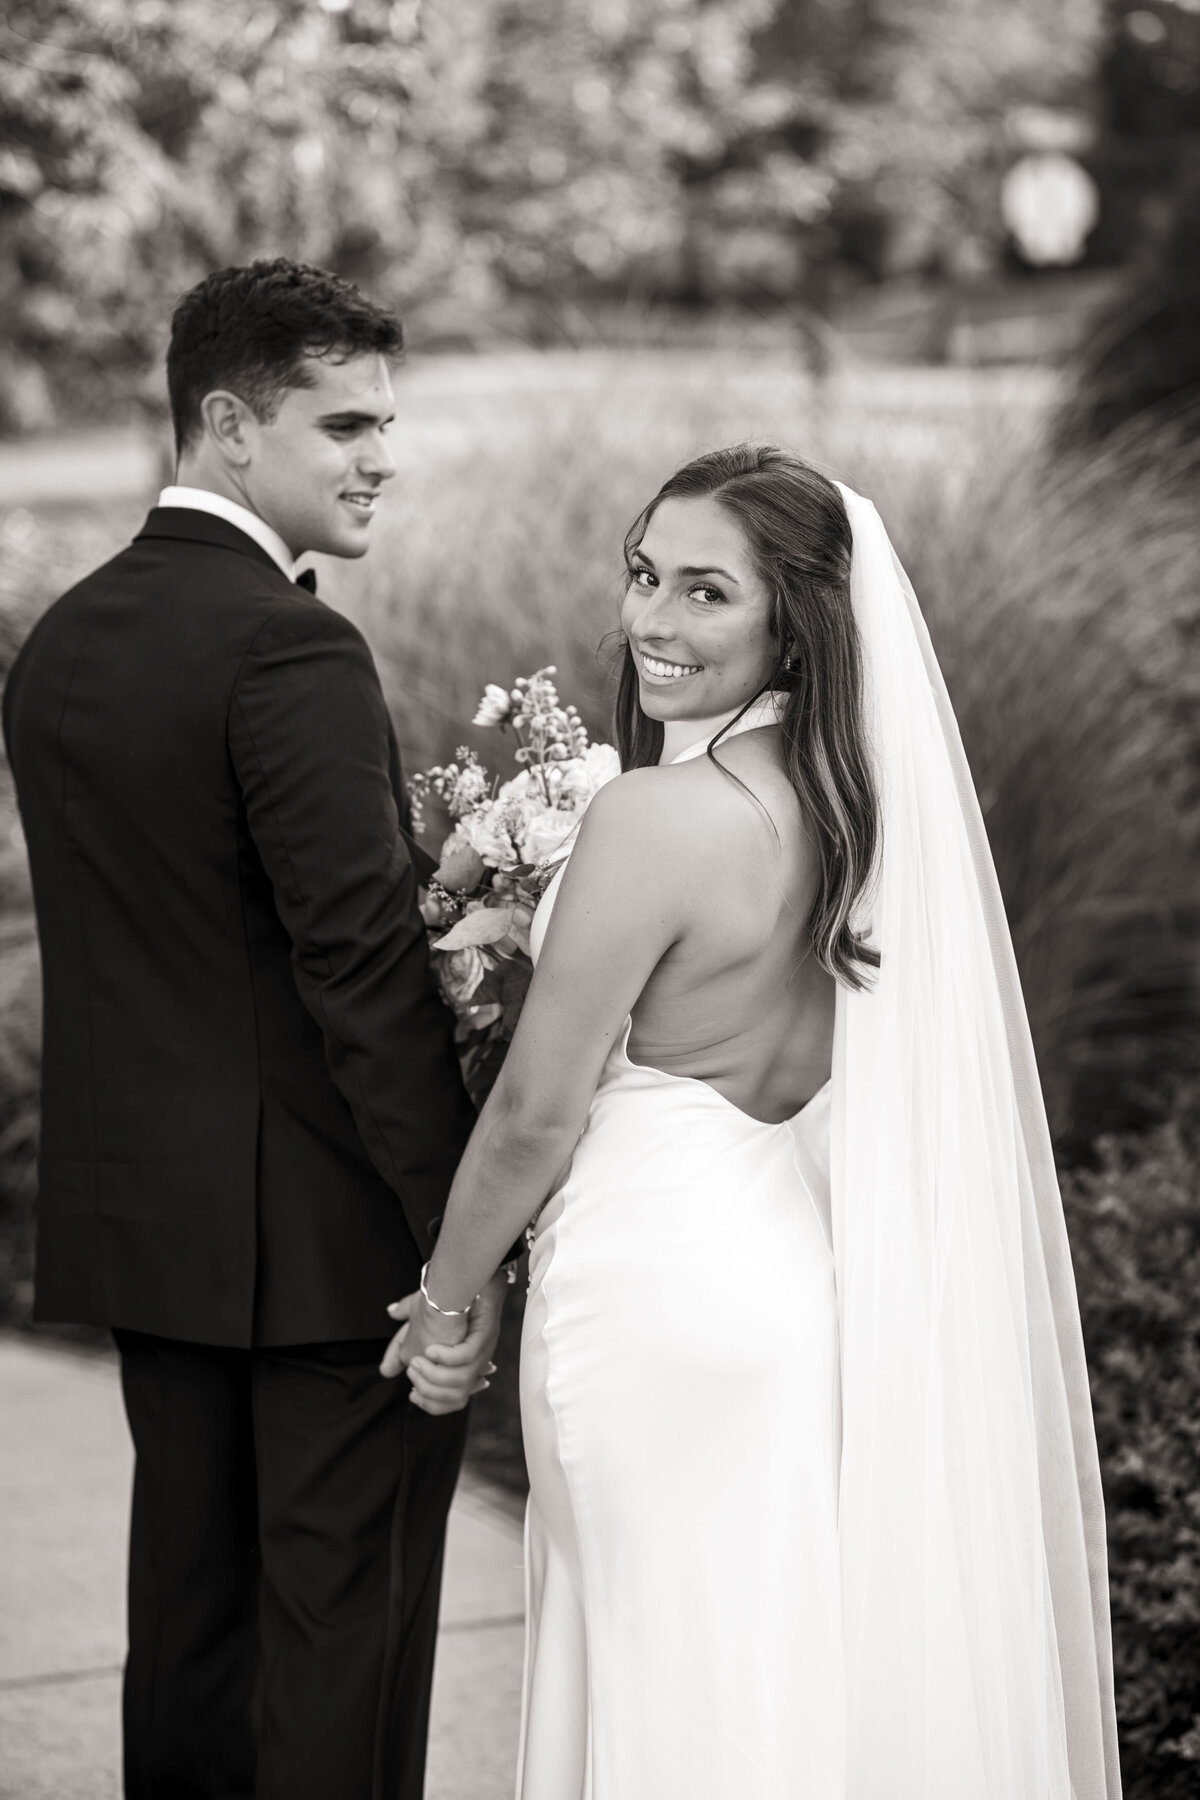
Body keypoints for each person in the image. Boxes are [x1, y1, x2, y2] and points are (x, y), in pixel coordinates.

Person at [385, 445, 1122, 1798]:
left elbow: (538, 1114)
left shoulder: (654, 817)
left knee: (649, 1684)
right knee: (756, 1686)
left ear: (799, 623)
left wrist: (446, 1302)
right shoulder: (866, 816)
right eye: (644, 575)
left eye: (707, 591)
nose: (652, 619)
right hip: (787, 1285)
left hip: (643, 1294)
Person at [3, 258, 500, 1800]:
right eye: (344, 423)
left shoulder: (67, 639)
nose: (381, 457)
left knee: (194, 1630)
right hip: (326, 1249)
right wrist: (457, 1245)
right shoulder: (289, 646)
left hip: (150, 1231)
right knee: (342, 1644)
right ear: (227, 424)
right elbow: (359, 967)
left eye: (387, 424)